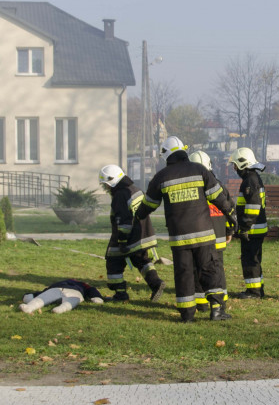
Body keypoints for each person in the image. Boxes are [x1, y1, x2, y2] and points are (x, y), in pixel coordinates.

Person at [135, 136, 236, 322]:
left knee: (184, 274)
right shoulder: (200, 170)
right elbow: (219, 197)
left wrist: (137, 217)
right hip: (204, 235)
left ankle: (188, 315)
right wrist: (231, 215)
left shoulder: (161, 177)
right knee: (209, 269)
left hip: (179, 238)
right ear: (184, 151)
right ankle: (216, 310)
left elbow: (148, 205)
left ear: (165, 155)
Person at [98, 164, 165, 302]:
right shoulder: (135, 189)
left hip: (128, 237)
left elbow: (123, 220)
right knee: (142, 260)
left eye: (106, 185)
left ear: (111, 182)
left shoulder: (120, 195)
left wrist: (122, 242)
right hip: (144, 234)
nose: (106, 189)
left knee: (113, 262)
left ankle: (120, 294)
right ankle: (156, 284)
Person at [188, 150, 237, 315]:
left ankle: (201, 303)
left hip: (200, 236)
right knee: (217, 269)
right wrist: (229, 230)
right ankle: (219, 304)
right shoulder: (219, 185)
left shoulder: (192, 188)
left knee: (197, 268)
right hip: (219, 235)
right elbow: (229, 208)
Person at [229, 147, 268, 299]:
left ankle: (254, 292)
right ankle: (258, 289)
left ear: (242, 164)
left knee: (250, 260)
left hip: (252, 230)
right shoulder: (253, 178)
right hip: (256, 229)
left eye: (235, 165)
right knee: (255, 259)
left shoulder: (250, 181)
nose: (234, 168)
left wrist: (244, 227)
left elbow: (253, 207)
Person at [19, 279, 104, 314]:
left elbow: (43, 293)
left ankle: (29, 307)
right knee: (71, 301)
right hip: (74, 292)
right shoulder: (82, 284)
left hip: (57, 289)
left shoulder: (56, 283)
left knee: (42, 299)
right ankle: (61, 309)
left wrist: (30, 296)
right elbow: (91, 290)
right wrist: (97, 297)